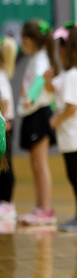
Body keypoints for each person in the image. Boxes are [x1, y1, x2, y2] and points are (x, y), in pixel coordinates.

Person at [45, 22, 77, 231]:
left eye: (61, 47)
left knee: (76, 176)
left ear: (67, 49)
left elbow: (72, 106)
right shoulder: (68, 75)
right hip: (71, 134)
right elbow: (55, 90)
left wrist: (56, 120)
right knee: (74, 175)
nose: (59, 52)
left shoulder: (73, 76)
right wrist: (48, 81)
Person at [17, 19, 59, 226]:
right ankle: (40, 207)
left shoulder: (42, 59)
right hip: (32, 113)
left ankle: (46, 209)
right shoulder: (36, 58)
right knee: (35, 163)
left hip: (39, 113)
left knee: (40, 163)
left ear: (28, 40)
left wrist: (30, 97)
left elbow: (41, 79)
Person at [0, 37, 17, 222]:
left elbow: (4, 102)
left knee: (5, 165)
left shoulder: (1, 76)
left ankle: (6, 203)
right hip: (5, 124)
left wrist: (4, 122)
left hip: (4, 126)